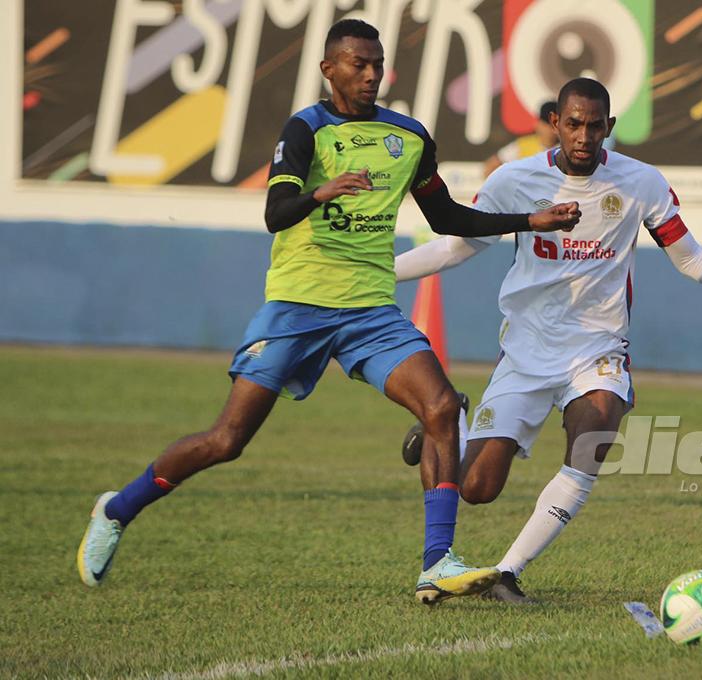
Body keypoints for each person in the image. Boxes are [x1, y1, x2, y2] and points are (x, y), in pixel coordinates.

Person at [75, 19, 581, 606]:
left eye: (377, 63)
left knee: (442, 406)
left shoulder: (409, 137)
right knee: (227, 440)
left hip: (369, 310)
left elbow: (448, 218)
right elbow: (275, 212)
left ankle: (437, 563)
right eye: (357, 64)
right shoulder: (307, 129)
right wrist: (321, 191)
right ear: (328, 69)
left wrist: (528, 221)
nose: (370, 74)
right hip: (298, 307)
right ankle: (118, 507)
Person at [393, 77, 702, 603]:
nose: (583, 135)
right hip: (525, 351)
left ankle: (507, 572)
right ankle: (450, 421)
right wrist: (381, 272)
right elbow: (457, 249)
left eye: (594, 126)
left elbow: (690, 257)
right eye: (573, 124)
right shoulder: (514, 179)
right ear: (555, 123)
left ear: (609, 128)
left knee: (596, 427)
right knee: (477, 489)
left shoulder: (640, 182)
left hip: (597, 350)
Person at [482, 101, 558, 177]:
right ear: (537, 124)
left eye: (554, 125)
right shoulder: (522, 146)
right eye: (546, 125)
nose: (550, 130)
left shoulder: (565, 149)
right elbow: (491, 166)